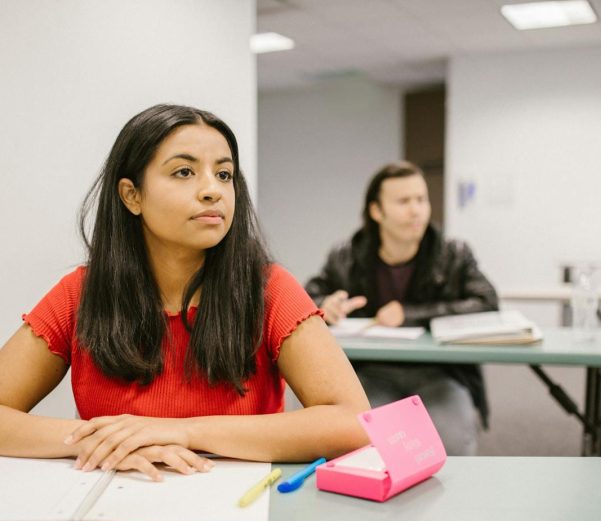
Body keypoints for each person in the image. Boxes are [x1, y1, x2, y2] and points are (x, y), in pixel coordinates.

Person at [0, 104, 370, 481]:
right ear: (132, 196)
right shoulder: (79, 294)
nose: (212, 191)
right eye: (184, 172)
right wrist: (97, 441)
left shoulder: (269, 289)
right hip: (115, 511)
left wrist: (183, 431)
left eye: (224, 174)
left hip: (239, 517)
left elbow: (352, 422)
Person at [306, 161, 498, 455]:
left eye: (421, 200)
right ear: (376, 211)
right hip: (371, 373)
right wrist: (324, 306)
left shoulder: (453, 253)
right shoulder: (346, 256)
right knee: (361, 444)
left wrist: (409, 315)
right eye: (404, 201)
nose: (416, 210)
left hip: (442, 372)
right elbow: (308, 299)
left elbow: (487, 302)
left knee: (453, 446)